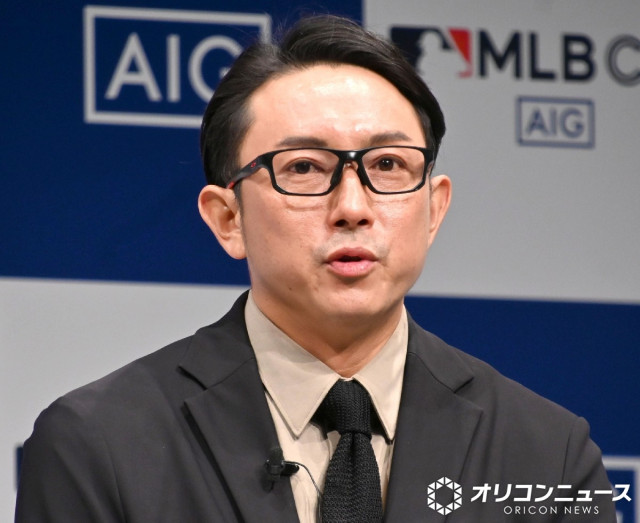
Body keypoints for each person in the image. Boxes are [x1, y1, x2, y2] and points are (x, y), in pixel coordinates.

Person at [16, 15, 615, 522]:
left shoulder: (550, 454)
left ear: (434, 209)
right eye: (303, 168)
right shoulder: (98, 444)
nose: (353, 207)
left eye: (387, 165)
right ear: (228, 218)